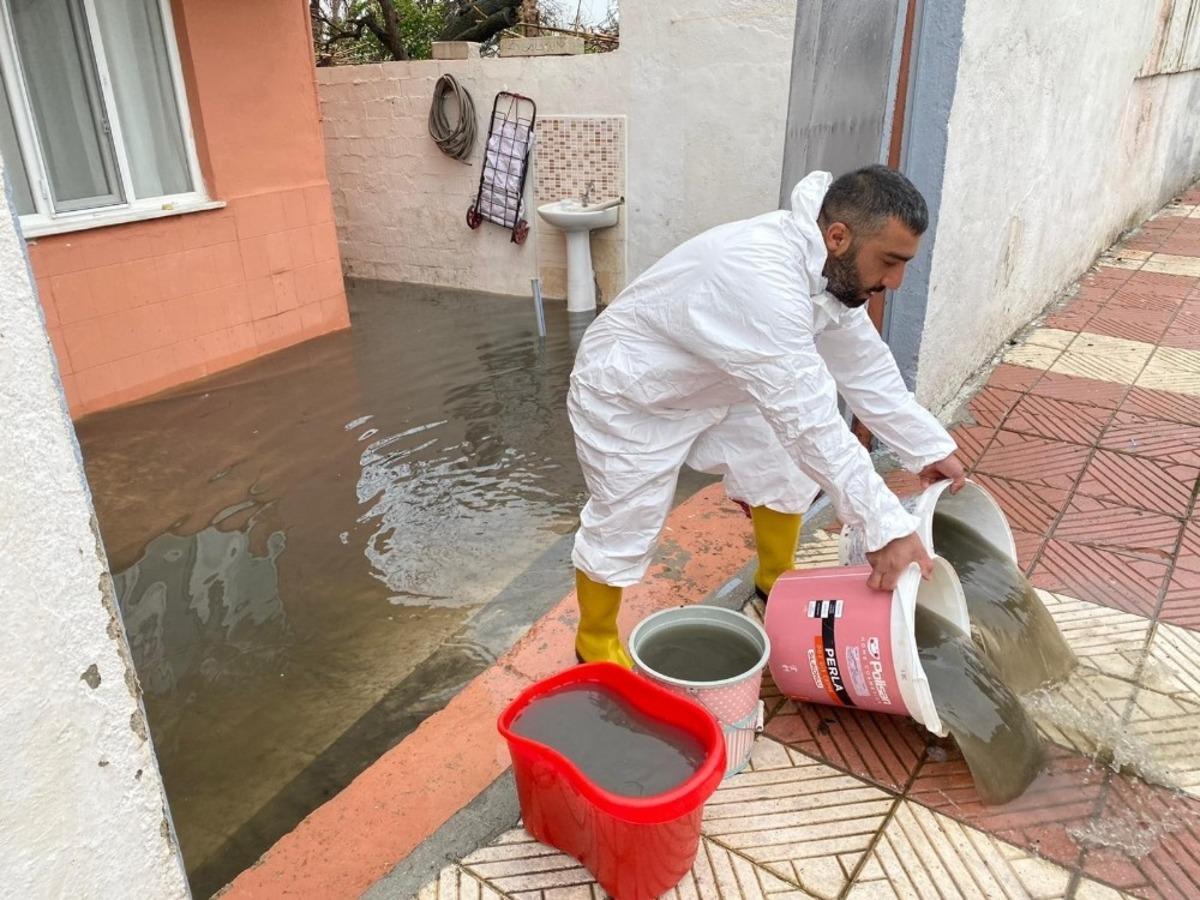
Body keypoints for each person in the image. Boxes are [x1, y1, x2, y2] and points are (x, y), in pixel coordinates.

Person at [568, 165, 965, 667]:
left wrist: (930, 447)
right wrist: (883, 526)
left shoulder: (830, 273)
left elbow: (866, 370)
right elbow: (811, 421)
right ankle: (596, 643)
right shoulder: (762, 279)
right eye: (890, 262)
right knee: (627, 517)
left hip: (721, 380)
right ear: (839, 236)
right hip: (633, 390)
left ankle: (774, 581)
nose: (895, 281)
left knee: (781, 462)